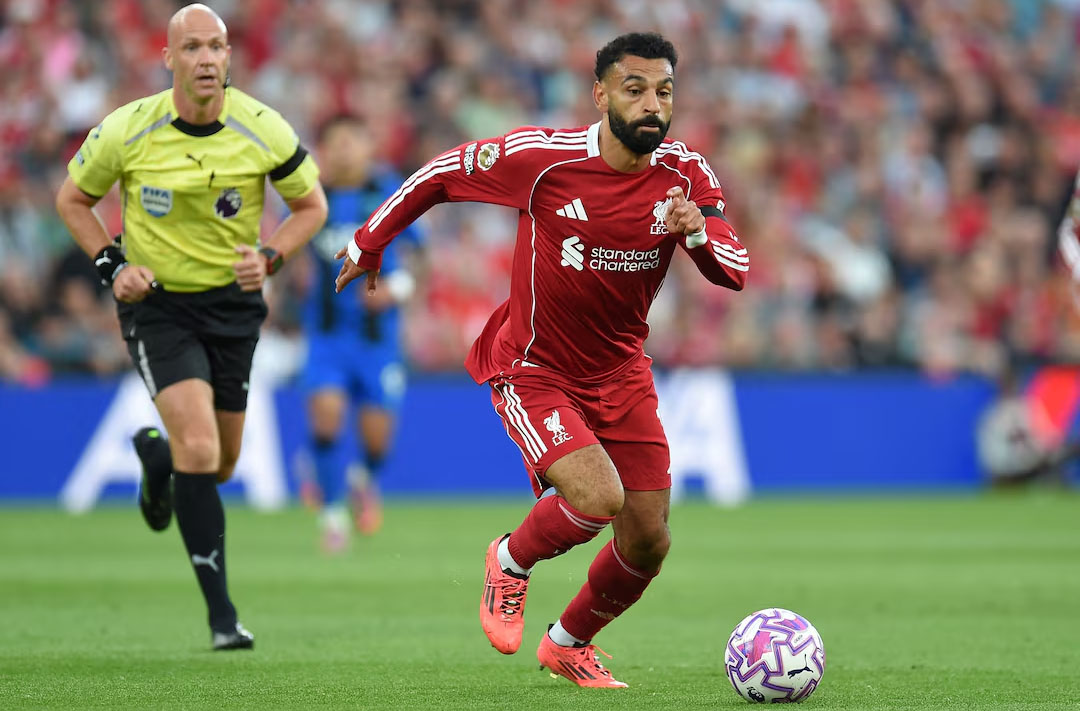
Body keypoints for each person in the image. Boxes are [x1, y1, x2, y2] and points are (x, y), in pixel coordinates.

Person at [335, 32, 748, 686]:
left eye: (664, 91)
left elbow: (736, 268)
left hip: (622, 374)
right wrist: (368, 241)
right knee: (597, 496)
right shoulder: (545, 160)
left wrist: (695, 232)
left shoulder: (687, 175)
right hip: (536, 368)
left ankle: (568, 642)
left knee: (649, 540)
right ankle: (509, 559)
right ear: (600, 95)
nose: (652, 105)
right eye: (635, 89)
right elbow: (439, 174)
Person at [54, 3, 327, 650]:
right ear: (169, 58)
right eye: (193, 48)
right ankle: (222, 617)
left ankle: (157, 463)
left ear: (229, 56)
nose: (206, 59)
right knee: (201, 450)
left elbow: (310, 206)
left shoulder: (262, 127)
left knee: (219, 464)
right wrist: (113, 266)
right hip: (160, 306)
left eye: (217, 46)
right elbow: (73, 199)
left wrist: (270, 257)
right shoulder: (129, 129)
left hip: (233, 308)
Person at [299, 115, 424, 551]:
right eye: (336, 142)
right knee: (327, 417)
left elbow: (421, 254)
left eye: (353, 140)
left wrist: (397, 288)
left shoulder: (390, 192)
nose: (345, 150)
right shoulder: (310, 195)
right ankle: (333, 518)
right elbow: (290, 246)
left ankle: (361, 478)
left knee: (377, 442)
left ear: (369, 146)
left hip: (378, 341)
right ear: (324, 149)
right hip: (327, 337)